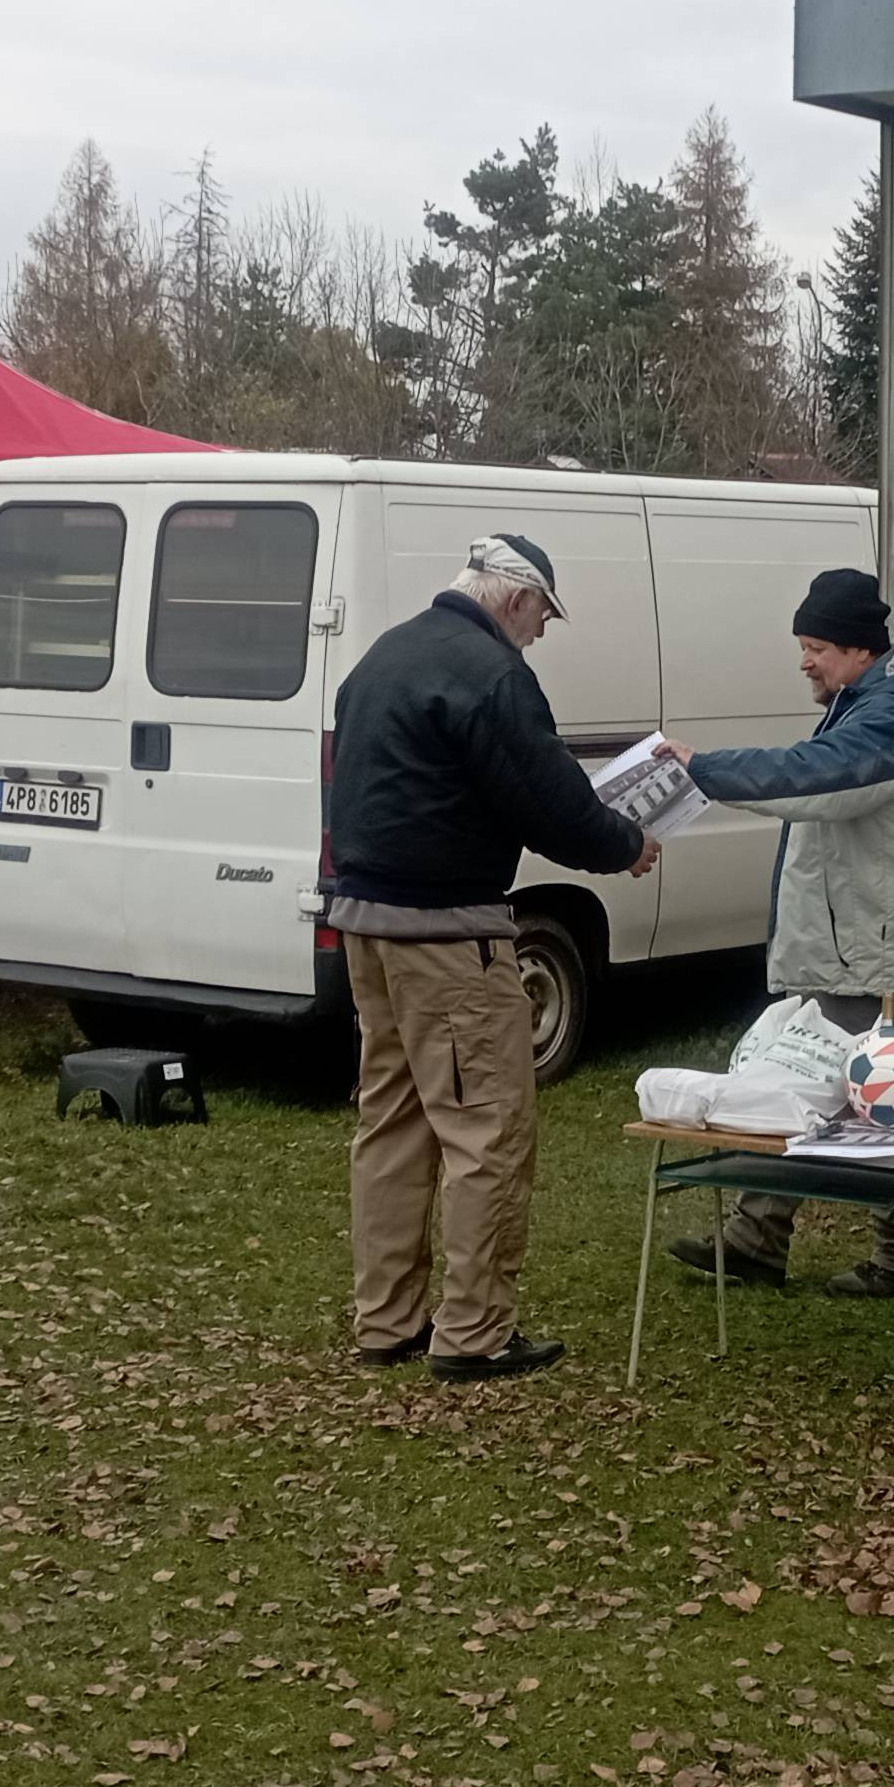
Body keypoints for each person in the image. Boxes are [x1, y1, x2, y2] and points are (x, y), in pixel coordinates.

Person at [326, 532, 656, 1380]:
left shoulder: (384, 656)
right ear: (516, 598)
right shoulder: (491, 674)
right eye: (544, 616)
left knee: (392, 1123)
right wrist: (625, 843)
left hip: (366, 926)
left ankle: (386, 1320)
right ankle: (474, 1332)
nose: (541, 633)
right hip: (447, 937)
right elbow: (551, 805)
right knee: (488, 1128)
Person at [665, 568, 894, 1299]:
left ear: (860, 649)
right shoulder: (870, 703)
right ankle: (763, 1238)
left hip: (875, 954)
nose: (805, 661)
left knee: (884, 1099)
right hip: (854, 945)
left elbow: (819, 778)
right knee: (804, 1086)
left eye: (817, 647)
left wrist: (706, 770)